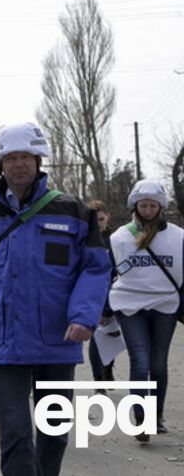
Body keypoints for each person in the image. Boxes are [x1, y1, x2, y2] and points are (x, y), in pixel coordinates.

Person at [0, 122, 111, 476]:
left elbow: (96, 268)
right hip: (4, 342)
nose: (19, 163)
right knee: (15, 432)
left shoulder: (74, 212)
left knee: (54, 431)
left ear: (39, 160)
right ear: (0, 164)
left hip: (58, 338)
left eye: (26, 156)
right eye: (11, 157)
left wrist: (84, 316)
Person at [108, 180, 183, 440]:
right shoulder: (119, 238)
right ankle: (142, 418)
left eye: (153, 205)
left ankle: (156, 416)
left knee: (158, 363)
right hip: (129, 305)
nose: (148, 210)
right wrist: (104, 310)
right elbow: (108, 273)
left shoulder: (178, 237)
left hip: (165, 305)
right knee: (140, 360)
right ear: (135, 206)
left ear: (160, 207)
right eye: (144, 205)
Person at [86, 199, 117, 394]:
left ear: (107, 217)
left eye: (101, 219)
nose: (98, 224)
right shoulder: (84, 240)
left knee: (111, 335)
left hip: (113, 294)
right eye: (93, 220)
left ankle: (107, 368)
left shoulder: (116, 241)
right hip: (91, 295)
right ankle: (98, 379)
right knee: (96, 337)